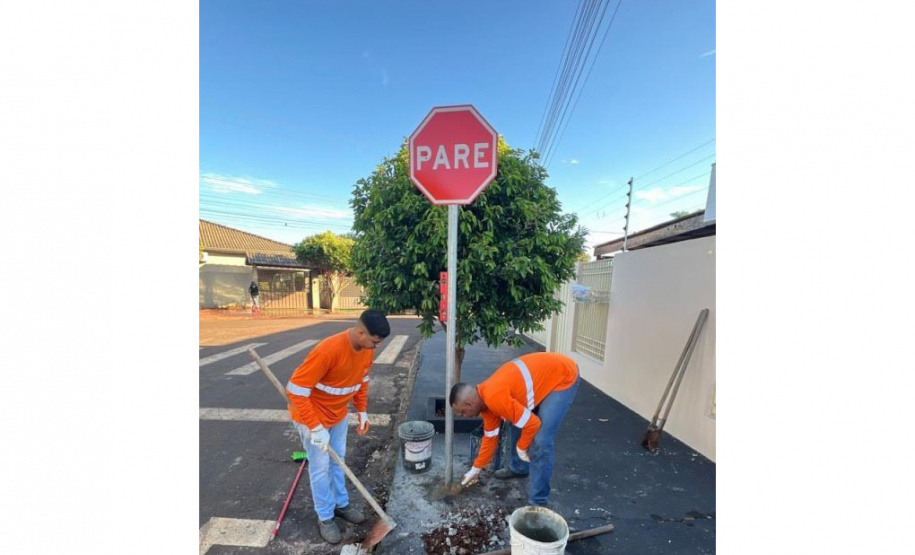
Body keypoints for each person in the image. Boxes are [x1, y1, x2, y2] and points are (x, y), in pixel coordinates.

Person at [285, 309, 391, 544]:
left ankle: (341, 505)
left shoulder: (366, 350)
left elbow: (362, 380)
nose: (376, 347)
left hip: (338, 414)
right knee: (320, 467)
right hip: (312, 416)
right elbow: (295, 390)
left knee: (338, 460)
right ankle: (325, 517)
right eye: (374, 342)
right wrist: (315, 428)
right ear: (361, 332)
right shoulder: (328, 351)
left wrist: (362, 411)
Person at [450, 352, 580, 507]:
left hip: (563, 376)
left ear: (469, 404)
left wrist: (522, 446)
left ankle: (538, 502)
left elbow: (532, 424)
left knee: (541, 440)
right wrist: (475, 469)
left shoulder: (494, 397)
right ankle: (519, 468)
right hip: (543, 376)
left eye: (462, 412)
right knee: (515, 420)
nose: (464, 416)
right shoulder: (486, 404)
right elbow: (490, 438)